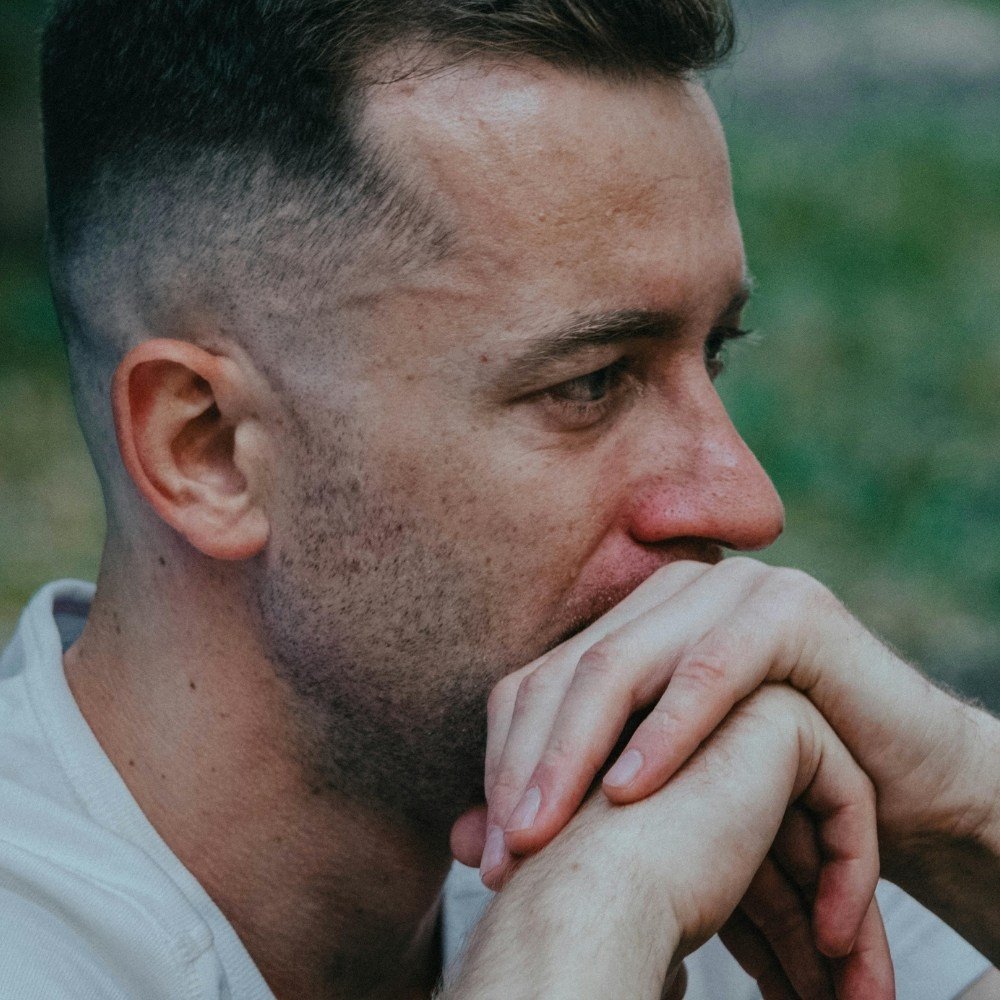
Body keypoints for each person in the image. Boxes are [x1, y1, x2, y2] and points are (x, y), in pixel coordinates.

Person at [2, 0, 995, 997]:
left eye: (715, 354)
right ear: (207, 448)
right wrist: (573, 940)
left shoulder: (685, 807)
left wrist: (962, 798)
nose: (744, 502)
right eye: (590, 382)